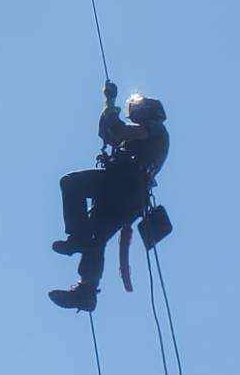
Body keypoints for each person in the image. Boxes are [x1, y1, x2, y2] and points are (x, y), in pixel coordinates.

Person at [48, 85, 169, 312]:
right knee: (97, 238)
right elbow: (108, 133)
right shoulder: (142, 135)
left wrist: (112, 107)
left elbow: (119, 130)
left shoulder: (154, 129)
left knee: (71, 184)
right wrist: (109, 103)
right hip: (128, 195)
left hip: (123, 185)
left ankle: (78, 238)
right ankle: (87, 291)